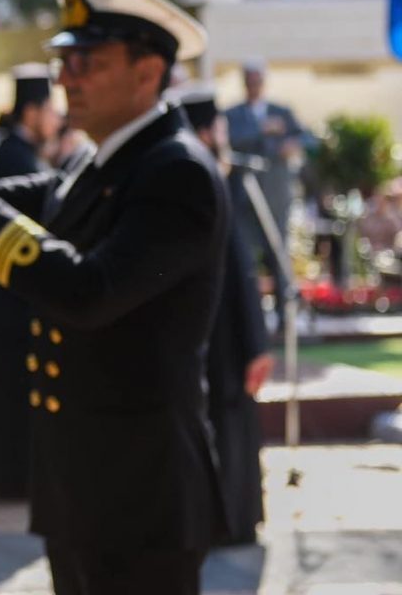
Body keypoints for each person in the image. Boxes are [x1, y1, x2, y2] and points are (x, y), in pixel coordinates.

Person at [0, 0, 228, 595]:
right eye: (66, 61)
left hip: (145, 494)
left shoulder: (177, 171)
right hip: (83, 486)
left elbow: (91, 293)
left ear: (148, 72)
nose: (66, 79)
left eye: (87, 62)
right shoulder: (99, 161)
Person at [172, 80, 274, 547]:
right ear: (209, 130)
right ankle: (231, 521)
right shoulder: (214, 180)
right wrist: (256, 342)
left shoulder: (188, 178)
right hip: (227, 336)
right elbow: (240, 272)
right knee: (227, 431)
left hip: (206, 335)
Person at [0, 62, 62, 499]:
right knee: (13, 391)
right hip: (14, 296)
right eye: (51, 109)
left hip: (11, 296)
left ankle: (10, 473)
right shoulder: (15, 154)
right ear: (32, 111)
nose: (56, 119)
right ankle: (12, 477)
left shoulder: (18, 149)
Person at [225, 57, 306, 329]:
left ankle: (286, 320)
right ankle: (249, 321)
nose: (254, 85)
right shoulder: (233, 115)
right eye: (249, 80)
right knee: (246, 258)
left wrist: (292, 143)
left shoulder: (282, 111)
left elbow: (307, 138)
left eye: (258, 79)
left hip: (276, 197)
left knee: (278, 256)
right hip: (244, 198)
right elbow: (230, 141)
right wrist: (261, 129)